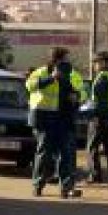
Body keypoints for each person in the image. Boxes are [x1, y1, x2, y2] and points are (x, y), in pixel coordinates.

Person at [26, 47, 82, 198]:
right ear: (56, 60)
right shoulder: (41, 72)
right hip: (44, 118)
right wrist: (51, 77)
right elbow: (29, 86)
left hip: (63, 118)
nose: (67, 62)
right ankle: (38, 185)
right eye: (65, 59)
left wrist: (75, 97)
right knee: (44, 153)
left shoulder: (68, 74)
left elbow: (76, 92)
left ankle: (66, 188)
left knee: (65, 154)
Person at [86, 51, 108, 187]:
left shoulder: (102, 78)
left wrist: (94, 116)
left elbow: (100, 102)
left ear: (104, 62)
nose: (94, 65)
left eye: (96, 62)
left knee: (92, 147)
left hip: (101, 117)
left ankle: (95, 175)